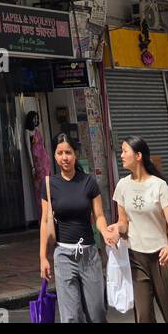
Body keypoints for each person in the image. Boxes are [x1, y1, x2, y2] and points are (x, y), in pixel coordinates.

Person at [105, 136, 168, 324]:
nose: (121, 155)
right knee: (144, 317)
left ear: (138, 155)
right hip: (136, 259)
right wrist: (116, 229)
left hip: (161, 258)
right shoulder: (122, 185)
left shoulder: (158, 185)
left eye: (125, 151)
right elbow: (124, 222)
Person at [39, 133, 109, 323]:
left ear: (75, 154)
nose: (64, 158)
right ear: (54, 155)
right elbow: (45, 222)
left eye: (68, 152)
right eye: (60, 153)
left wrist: (105, 232)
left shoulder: (88, 182)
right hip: (63, 256)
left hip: (89, 255)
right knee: (70, 317)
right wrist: (43, 257)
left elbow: (99, 216)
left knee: (97, 313)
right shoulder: (49, 184)